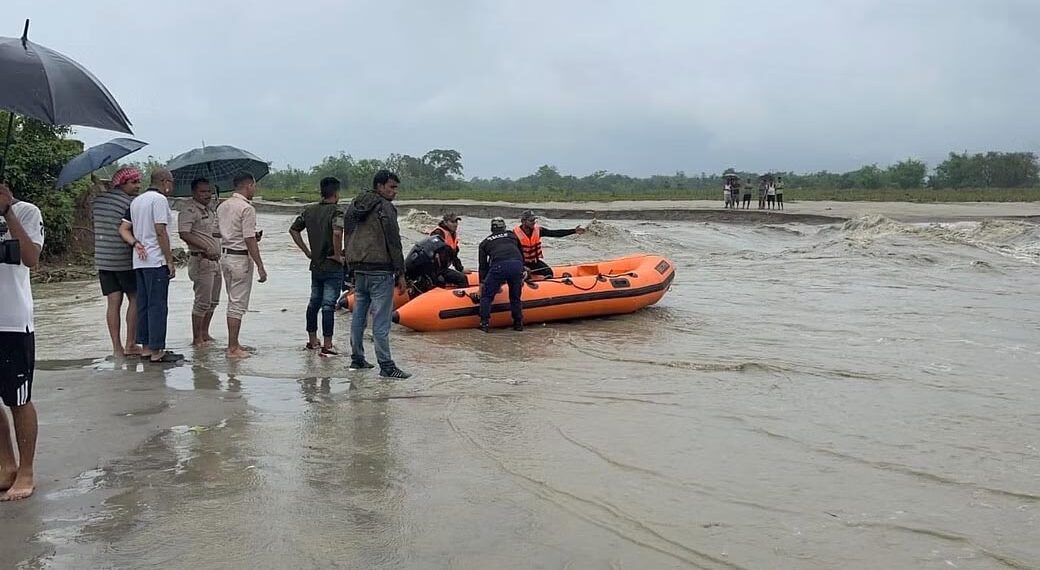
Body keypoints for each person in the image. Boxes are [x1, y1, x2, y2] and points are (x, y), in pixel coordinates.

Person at [344, 170, 410, 378]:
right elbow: (393, 241)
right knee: (381, 321)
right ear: (379, 187)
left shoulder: (355, 205)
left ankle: (357, 358)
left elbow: (348, 232)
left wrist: (349, 264)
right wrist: (401, 272)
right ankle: (386, 365)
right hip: (380, 269)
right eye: (392, 187)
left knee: (359, 317)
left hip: (359, 268)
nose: (394, 192)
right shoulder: (385, 207)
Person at [0, 183, 43, 501]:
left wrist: (7, 213)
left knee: (18, 399)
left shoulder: (27, 212)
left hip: (12, 320)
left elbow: (31, 258)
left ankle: (26, 470)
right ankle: (5, 465)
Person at [118, 168, 183, 363]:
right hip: (156, 260)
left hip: (139, 261)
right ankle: (157, 351)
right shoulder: (159, 200)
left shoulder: (136, 201)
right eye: (170, 182)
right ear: (165, 182)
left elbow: (123, 228)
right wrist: (170, 259)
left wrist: (135, 243)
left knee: (144, 305)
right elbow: (160, 230)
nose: (171, 187)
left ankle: (146, 347)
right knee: (158, 306)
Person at [289, 176, 345, 357]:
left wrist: (307, 251)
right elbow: (337, 233)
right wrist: (338, 255)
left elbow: (294, 230)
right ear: (336, 193)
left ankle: (313, 340)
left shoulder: (309, 210)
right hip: (332, 266)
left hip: (316, 265)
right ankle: (327, 345)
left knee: (314, 303)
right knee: (328, 305)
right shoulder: (337, 212)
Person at [92, 167, 143, 357]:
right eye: (134, 182)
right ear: (122, 183)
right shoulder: (131, 203)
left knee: (113, 303)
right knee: (135, 299)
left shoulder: (97, 201)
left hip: (103, 259)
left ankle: (117, 349)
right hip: (123, 258)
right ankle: (131, 343)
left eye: (138, 182)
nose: (138, 186)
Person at [216, 172, 267, 359]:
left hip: (226, 256)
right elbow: (248, 238)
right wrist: (260, 265)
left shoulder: (222, 206)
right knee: (237, 304)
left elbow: (216, 232)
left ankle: (234, 343)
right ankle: (232, 348)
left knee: (232, 300)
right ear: (248, 186)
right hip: (240, 258)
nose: (255, 189)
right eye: (254, 186)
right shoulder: (247, 208)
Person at [177, 177, 222, 347]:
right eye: (202, 191)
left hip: (215, 261)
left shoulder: (210, 211)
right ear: (194, 192)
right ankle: (196, 338)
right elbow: (184, 233)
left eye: (209, 191)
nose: (207, 194)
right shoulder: (189, 210)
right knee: (202, 302)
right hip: (200, 260)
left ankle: (204, 333)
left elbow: (216, 233)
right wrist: (205, 247)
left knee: (213, 301)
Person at [477, 217, 526, 332]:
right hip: (516, 265)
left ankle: (484, 323)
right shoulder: (512, 236)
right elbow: (520, 253)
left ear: (491, 229)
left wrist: (482, 283)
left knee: (487, 296)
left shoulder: (485, 243)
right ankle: (518, 323)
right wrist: (522, 270)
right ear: (504, 227)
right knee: (515, 297)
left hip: (499, 267)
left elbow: (483, 266)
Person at [513, 210, 585, 279]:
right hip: (521, 264)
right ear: (523, 221)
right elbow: (511, 253)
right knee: (521, 274)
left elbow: (555, 233)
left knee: (549, 272)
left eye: (534, 220)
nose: (534, 222)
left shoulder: (539, 230)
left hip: (534, 262)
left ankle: (536, 280)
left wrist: (573, 231)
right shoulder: (515, 234)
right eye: (531, 220)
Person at [429, 213, 468, 287]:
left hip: (443, 268)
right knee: (462, 279)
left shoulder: (453, 234)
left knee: (460, 276)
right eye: (452, 222)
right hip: (436, 269)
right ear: (445, 222)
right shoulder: (438, 233)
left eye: (456, 222)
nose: (455, 224)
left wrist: (460, 269)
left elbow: (454, 255)